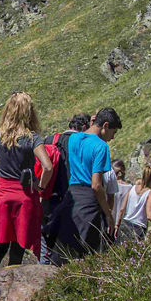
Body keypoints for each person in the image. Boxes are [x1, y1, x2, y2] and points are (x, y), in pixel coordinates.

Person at [0, 91, 54, 271]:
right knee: (18, 247)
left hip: (3, 194)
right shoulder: (32, 138)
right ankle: (10, 283)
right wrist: (40, 187)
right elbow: (48, 166)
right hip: (25, 195)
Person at [54, 107, 122, 261]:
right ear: (105, 126)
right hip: (89, 201)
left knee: (68, 248)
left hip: (71, 196)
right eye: (113, 132)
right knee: (89, 252)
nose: (112, 137)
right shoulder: (101, 146)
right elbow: (96, 185)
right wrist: (108, 214)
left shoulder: (74, 139)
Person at [40, 113, 94, 265]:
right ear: (84, 127)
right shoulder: (81, 143)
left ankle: (43, 268)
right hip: (71, 199)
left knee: (46, 239)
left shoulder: (50, 140)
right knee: (66, 244)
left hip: (48, 196)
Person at [117, 163, 151, 242]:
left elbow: (122, 209)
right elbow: (149, 215)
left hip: (125, 224)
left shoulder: (132, 188)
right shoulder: (150, 193)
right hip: (138, 228)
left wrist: (117, 225)